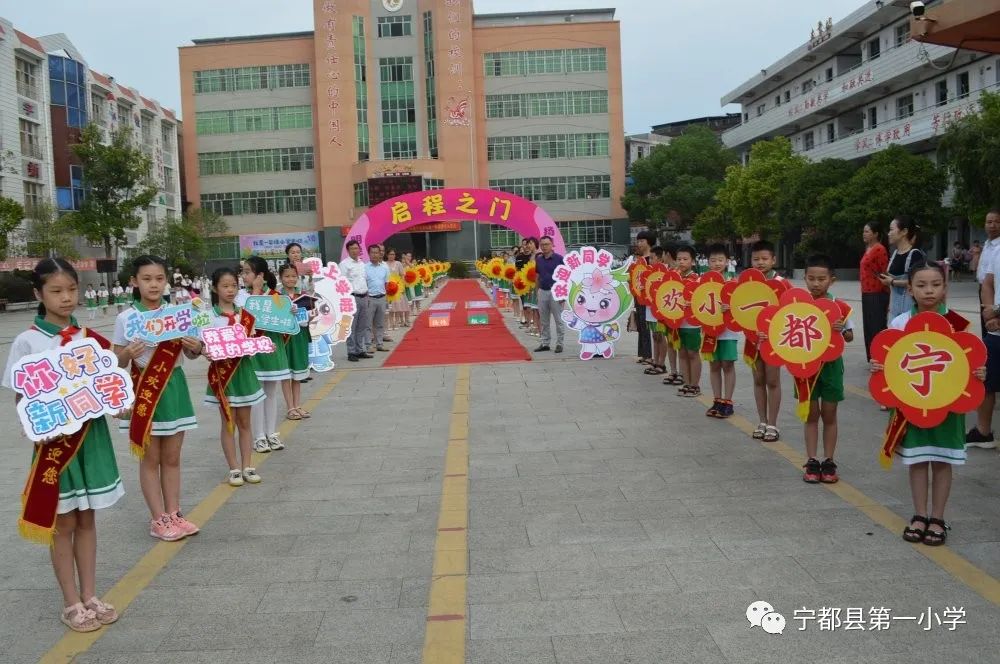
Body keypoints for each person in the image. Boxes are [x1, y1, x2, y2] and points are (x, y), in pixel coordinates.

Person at [3, 258, 123, 632]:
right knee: (64, 522)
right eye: (56, 291)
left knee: (87, 519)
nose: (66, 297)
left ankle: (90, 595)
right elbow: (21, 396)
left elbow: (109, 383)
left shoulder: (89, 338)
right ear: (38, 294)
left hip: (91, 438)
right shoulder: (27, 341)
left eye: (72, 289)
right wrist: (38, 426)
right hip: (57, 442)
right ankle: (71, 602)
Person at [871, 262, 985, 545]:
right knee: (918, 460)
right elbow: (889, 360)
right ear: (909, 289)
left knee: (943, 461)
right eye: (921, 285)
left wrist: (978, 372)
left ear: (945, 288)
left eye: (935, 284)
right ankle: (919, 514)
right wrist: (878, 366)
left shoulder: (958, 324)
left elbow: (971, 361)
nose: (929, 291)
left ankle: (937, 517)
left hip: (947, 405)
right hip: (912, 404)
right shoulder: (900, 323)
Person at [112, 255, 201, 542]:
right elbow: (115, 363)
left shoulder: (179, 313)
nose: (153, 284)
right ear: (134, 282)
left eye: (159, 279)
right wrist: (127, 354)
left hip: (174, 386)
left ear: (167, 281)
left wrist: (195, 345)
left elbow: (192, 353)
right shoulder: (126, 318)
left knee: (172, 457)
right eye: (147, 279)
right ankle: (158, 518)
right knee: (150, 459)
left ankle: (174, 513)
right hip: (144, 391)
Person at [205, 267, 265, 486]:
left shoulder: (245, 316)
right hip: (223, 376)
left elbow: (254, 340)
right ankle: (233, 468)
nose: (230, 290)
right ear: (215, 288)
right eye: (225, 286)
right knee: (228, 422)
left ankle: (248, 465)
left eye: (234, 286)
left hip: (243, 372)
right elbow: (203, 345)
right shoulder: (209, 316)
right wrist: (205, 351)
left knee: (245, 422)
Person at [798, 254, 853, 484]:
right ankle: (812, 460)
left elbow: (850, 337)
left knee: (829, 415)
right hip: (805, 367)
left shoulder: (839, 307)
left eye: (821, 279)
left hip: (831, 367)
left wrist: (841, 329)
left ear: (832, 280)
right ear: (805, 278)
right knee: (811, 415)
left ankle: (828, 460)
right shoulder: (798, 306)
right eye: (811, 278)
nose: (816, 283)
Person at [239, 257, 291, 453]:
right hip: (254, 351)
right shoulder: (242, 297)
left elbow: (283, 319)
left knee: (271, 392)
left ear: (260, 275)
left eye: (247, 272)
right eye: (242, 272)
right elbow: (245, 322)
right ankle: (259, 436)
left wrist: (290, 312)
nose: (243, 276)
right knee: (257, 394)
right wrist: (255, 292)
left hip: (272, 349)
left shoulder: (276, 296)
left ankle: (272, 433)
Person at [748, 241, 783, 441]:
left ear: (773, 260)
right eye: (756, 259)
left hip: (773, 341)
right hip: (752, 339)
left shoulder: (780, 282)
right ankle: (762, 420)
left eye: (764, 259)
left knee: (773, 380)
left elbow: (788, 312)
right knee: (758, 380)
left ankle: (773, 423)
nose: (760, 262)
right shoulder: (747, 283)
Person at [972, 209, 1000, 448]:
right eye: (988, 221)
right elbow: (988, 282)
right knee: (986, 375)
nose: (991, 225)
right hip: (995, 326)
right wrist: (990, 312)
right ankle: (983, 432)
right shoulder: (996, 250)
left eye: (995, 221)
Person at [705, 244, 738, 418]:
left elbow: (741, 307)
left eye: (720, 260)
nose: (717, 263)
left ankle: (728, 401)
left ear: (727, 261)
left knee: (728, 363)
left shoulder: (733, 282)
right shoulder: (703, 282)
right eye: (713, 260)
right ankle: (717, 400)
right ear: (708, 262)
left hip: (729, 331)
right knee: (714, 365)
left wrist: (731, 306)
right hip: (710, 330)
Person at [278, 263, 311, 419]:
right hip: (284, 339)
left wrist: (310, 315)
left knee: (297, 374)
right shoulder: (277, 297)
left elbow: (309, 316)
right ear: (280, 278)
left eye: (293, 276)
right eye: (286, 276)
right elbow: (274, 319)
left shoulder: (303, 295)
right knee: (286, 374)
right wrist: (286, 312)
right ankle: (290, 407)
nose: (290, 279)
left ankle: (297, 405)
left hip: (300, 338)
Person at [879, 216, 925, 321]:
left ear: (904, 231)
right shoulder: (895, 253)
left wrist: (892, 282)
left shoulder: (915, 254)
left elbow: (917, 282)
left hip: (909, 309)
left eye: (891, 229)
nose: (889, 233)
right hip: (894, 309)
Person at [860, 223, 890, 362]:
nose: (864, 234)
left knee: (877, 325)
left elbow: (883, 272)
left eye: (867, 231)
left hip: (877, 292)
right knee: (868, 326)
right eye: (864, 231)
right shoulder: (868, 248)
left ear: (876, 234)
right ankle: (871, 356)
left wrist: (888, 295)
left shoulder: (880, 249)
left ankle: (880, 355)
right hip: (866, 291)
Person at [675, 245, 702, 397]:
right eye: (679, 259)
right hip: (677, 322)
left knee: (692, 353)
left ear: (692, 261)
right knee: (682, 352)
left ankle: (695, 385)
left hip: (692, 323)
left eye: (685, 259)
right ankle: (686, 383)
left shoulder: (697, 279)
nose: (682, 262)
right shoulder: (674, 278)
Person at [534, 236, 565, 353]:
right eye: (542, 245)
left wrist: (563, 294)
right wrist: (537, 291)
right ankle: (545, 343)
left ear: (552, 245)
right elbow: (537, 276)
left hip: (556, 292)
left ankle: (560, 344)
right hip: (543, 291)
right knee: (544, 320)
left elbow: (566, 277)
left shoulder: (559, 259)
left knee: (558, 319)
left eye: (547, 244)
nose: (544, 247)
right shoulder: (539, 260)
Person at [342, 240, 371, 362]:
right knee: (351, 326)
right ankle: (351, 351)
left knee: (362, 326)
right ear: (348, 251)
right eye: (352, 248)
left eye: (357, 248)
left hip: (364, 296)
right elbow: (342, 282)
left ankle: (360, 349)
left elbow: (364, 280)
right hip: (351, 297)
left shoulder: (362, 263)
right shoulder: (344, 264)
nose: (355, 250)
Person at [643, 247, 669, 376]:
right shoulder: (649, 272)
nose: (650, 260)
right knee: (654, 335)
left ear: (659, 258)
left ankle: (661, 363)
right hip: (650, 306)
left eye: (652, 258)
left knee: (660, 335)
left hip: (660, 308)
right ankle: (655, 360)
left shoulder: (665, 271)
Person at [632, 231, 654, 365]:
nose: (638, 244)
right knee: (641, 324)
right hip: (638, 294)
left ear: (649, 241)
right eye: (638, 241)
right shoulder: (638, 259)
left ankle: (650, 355)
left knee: (647, 325)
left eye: (641, 241)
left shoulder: (652, 258)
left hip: (649, 297)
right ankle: (643, 353)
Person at [364, 244, 390, 353]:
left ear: (380, 254)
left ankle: (379, 344)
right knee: (368, 323)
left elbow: (386, 283)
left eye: (376, 252)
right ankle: (368, 345)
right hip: (370, 298)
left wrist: (387, 298)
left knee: (380, 323)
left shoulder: (384, 267)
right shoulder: (364, 267)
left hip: (382, 298)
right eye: (372, 252)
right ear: (369, 254)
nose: (374, 255)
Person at [385, 248, 409, 329]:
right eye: (390, 254)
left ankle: (397, 322)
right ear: (387, 255)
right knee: (390, 307)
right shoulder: (384, 264)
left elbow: (402, 275)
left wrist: (402, 287)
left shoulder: (398, 263)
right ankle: (391, 323)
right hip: (388, 288)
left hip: (398, 288)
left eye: (393, 254)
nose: (392, 256)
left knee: (398, 306)